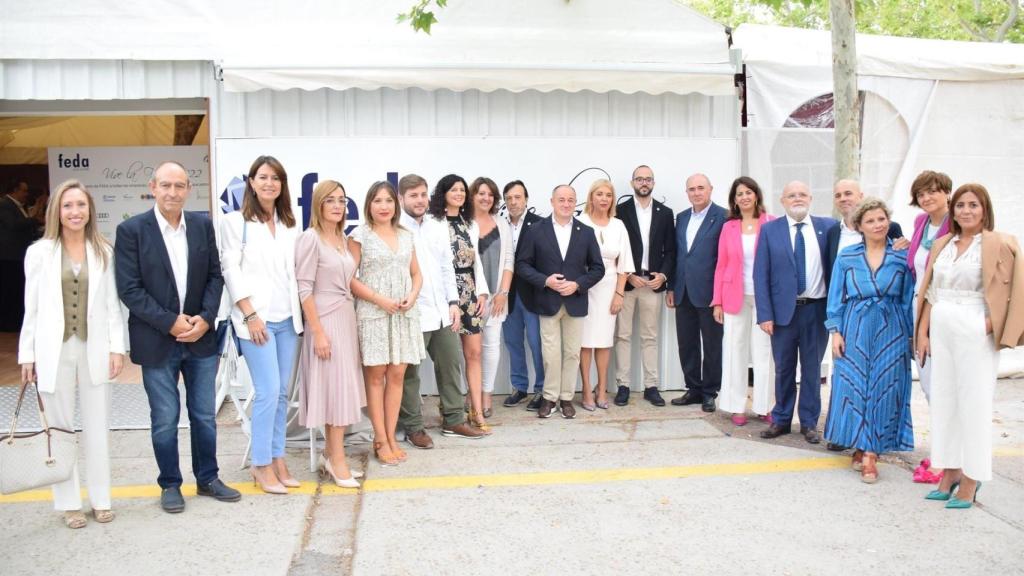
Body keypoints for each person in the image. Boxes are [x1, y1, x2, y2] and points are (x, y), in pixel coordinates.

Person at [116, 161, 241, 513]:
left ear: (188, 189)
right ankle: (170, 483)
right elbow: (129, 289)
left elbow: (216, 277)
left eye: (180, 186)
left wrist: (204, 318)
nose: (173, 192)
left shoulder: (202, 226)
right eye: (166, 185)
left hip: (200, 339)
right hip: (157, 342)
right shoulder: (132, 231)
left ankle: (208, 479)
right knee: (165, 417)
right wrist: (171, 323)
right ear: (153, 187)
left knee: (203, 414)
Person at [18, 180, 125, 528]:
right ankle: (68, 503)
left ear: (90, 209)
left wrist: (116, 348)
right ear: (56, 212)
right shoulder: (39, 252)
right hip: (53, 349)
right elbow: (30, 309)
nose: (75, 212)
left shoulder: (104, 251)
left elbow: (112, 306)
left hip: (93, 346)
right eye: (68, 206)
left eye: (81, 205)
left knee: (97, 426)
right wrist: (26, 355)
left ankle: (101, 497)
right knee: (60, 429)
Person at [915, 183, 1023, 509]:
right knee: (945, 402)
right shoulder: (944, 243)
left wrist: (987, 326)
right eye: (960, 205)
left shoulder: (998, 243)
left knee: (973, 405)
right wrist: (922, 332)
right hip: (942, 325)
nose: (966, 211)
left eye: (973, 205)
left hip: (974, 325)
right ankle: (950, 471)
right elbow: (931, 290)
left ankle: (973, 478)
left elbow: (1014, 288)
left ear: (984, 209)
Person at [220, 156, 304, 494]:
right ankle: (260, 463)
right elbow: (231, 270)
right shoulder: (234, 222)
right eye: (263, 177)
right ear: (251, 182)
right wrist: (250, 314)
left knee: (282, 392)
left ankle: (278, 457)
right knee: (267, 391)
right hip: (256, 321)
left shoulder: (289, 224)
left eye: (276, 178)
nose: (269, 183)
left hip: (287, 319)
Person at [824, 198, 915, 483]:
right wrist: (835, 330)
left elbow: (909, 297)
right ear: (859, 226)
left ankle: (871, 455)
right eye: (871, 221)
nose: (878, 225)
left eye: (882, 219)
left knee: (884, 389)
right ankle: (860, 444)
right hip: (854, 327)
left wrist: (911, 336)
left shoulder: (902, 256)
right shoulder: (847, 256)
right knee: (852, 387)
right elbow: (836, 295)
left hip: (892, 330)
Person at [398, 174, 487, 449]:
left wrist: (453, 303)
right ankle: (414, 426)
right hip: (413, 311)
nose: (419, 200)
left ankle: (453, 419)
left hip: (442, 311)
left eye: (423, 194)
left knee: (451, 364)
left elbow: (447, 267)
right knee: (411, 373)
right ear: (401, 199)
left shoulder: (437, 226)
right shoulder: (396, 228)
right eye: (413, 195)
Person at [754, 180, 838, 445]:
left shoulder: (828, 228)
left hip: (817, 311)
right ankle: (781, 419)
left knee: (812, 369)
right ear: (783, 200)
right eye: (791, 195)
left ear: (811, 198)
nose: (797, 198)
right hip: (782, 314)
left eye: (802, 194)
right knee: (784, 368)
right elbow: (761, 274)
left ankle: (810, 422)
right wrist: (765, 314)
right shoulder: (770, 230)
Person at [294, 180, 365, 488]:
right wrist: (319, 332)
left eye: (342, 200)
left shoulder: (342, 238)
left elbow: (351, 280)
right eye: (331, 200)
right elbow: (304, 289)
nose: (338, 205)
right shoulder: (310, 239)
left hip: (345, 318)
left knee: (343, 389)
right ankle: (337, 461)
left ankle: (330, 455)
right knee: (334, 391)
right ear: (319, 205)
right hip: (324, 321)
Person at [349, 181, 425, 465]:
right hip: (373, 313)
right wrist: (379, 299)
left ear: (396, 204)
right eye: (378, 201)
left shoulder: (406, 235)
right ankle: (379, 438)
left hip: (403, 314)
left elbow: (417, 274)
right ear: (369, 204)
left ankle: (392, 436)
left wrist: (413, 295)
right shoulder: (360, 236)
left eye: (388, 201)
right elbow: (349, 277)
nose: (384, 206)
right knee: (376, 376)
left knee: (397, 376)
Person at [515, 184, 604, 418]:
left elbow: (598, 268)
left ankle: (566, 398)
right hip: (547, 301)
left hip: (575, 301)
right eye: (561, 200)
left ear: (576, 203)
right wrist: (546, 281)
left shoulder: (585, 232)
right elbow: (522, 265)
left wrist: (578, 284)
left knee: (573, 352)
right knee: (551, 353)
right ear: (552, 201)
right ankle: (549, 397)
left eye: (570, 200)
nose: (566, 204)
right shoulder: (536, 230)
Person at [427, 174, 491, 430]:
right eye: (454, 189)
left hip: (470, 292)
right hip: (445, 296)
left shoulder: (470, 223)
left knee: (474, 353)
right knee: (448, 357)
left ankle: (476, 410)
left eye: (463, 190)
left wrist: (482, 293)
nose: (459, 194)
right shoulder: (432, 223)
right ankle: (449, 406)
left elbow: (476, 262)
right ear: (443, 193)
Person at [711, 176, 775, 426]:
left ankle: (765, 405)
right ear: (734, 200)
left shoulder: (771, 223)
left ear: (756, 195)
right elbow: (721, 265)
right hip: (733, 296)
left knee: (764, 352)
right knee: (734, 350)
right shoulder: (729, 227)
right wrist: (717, 301)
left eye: (748, 192)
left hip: (764, 298)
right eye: (739, 194)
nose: (745, 197)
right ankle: (735, 405)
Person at [614, 165, 676, 407]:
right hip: (628, 282)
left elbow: (671, 251)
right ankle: (623, 386)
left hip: (653, 283)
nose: (644, 183)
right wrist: (627, 275)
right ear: (632, 183)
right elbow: (615, 248)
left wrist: (664, 275)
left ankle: (651, 386)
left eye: (648, 179)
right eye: (639, 179)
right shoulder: (620, 211)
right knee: (623, 336)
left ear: (653, 183)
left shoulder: (665, 212)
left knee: (650, 336)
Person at [667, 174, 728, 413]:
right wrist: (671, 286)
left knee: (712, 345)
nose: (696, 192)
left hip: (710, 293)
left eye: (701, 188)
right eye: (691, 189)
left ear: (711, 189)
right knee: (687, 343)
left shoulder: (723, 217)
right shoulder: (681, 218)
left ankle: (710, 392)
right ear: (687, 193)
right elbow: (677, 255)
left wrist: (720, 296)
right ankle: (693, 388)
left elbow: (725, 258)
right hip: (683, 291)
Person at [577, 179, 633, 410]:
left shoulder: (618, 225)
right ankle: (586, 390)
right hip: (583, 288)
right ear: (591, 197)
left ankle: (602, 389)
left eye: (608, 195)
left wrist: (619, 294)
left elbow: (625, 263)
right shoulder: (579, 222)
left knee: (603, 342)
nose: (603, 198)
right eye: (599, 194)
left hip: (609, 288)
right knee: (584, 342)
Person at [906, 170, 952, 402]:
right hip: (918, 303)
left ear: (947, 192)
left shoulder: (958, 222)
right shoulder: (920, 222)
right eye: (921, 194)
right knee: (926, 374)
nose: (926, 198)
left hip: (944, 305)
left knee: (945, 376)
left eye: (933, 191)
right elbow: (917, 262)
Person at [470, 176, 514, 417]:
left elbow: (509, 260)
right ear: (472, 196)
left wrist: (502, 293)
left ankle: (486, 393)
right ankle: (470, 393)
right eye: (481, 193)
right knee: (468, 351)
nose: (486, 198)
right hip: (469, 300)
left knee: (491, 347)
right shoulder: (462, 223)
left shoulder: (502, 224)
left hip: (496, 299)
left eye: (490, 194)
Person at [501, 180, 546, 411]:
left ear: (526, 199)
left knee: (537, 343)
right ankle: (519, 387)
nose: (513, 202)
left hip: (533, 294)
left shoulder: (540, 225)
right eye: (508, 198)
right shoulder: (499, 225)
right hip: (507, 294)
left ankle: (540, 390)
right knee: (513, 342)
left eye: (517, 197)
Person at [826, 179, 906, 265]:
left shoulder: (888, 228)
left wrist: (908, 246)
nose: (842, 199)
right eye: (838, 196)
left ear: (861, 196)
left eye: (848, 193)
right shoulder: (833, 232)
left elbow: (903, 260)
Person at [0, 179, 44, 332]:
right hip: (9, 257)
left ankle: (15, 321)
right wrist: (34, 220)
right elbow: (13, 225)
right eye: (24, 191)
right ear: (14, 190)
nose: (27, 194)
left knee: (18, 290)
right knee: (10, 290)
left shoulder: (19, 206)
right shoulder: (4, 204)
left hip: (18, 255)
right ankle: (8, 324)